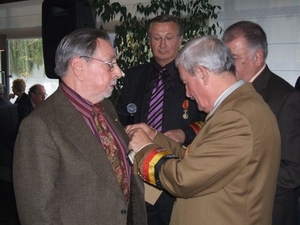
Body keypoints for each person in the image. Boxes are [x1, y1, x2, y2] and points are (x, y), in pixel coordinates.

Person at [126, 35, 281, 225]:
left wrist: (144, 149)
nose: (188, 93)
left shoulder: (236, 117)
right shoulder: (239, 106)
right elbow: (198, 161)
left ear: (202, 74)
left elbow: (184, 179)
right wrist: (155, 137)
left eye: (186, 83)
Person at [166, 21, 300, 225]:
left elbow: (293, 169)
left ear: (258, 57)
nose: (224, 65)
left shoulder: (285, 97)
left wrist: (240, 178)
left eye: (233, 58)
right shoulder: (229, 94)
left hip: (258, 208)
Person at [13, 28, 147, 224]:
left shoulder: (105, 107)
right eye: (110, 64)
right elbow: (38, 214)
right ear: (78, 67)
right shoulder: (39, 126)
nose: (119, 72)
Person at [115, 14, 206, 225]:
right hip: (138, 171)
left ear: (180, 39)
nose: (163, 44)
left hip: (177, 172)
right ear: (149, 41)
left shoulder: (194, 76)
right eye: (157, 38)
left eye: (169, 37)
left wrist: (184, 133)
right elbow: (118, 116)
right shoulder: (134, 76)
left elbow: (209, 122)